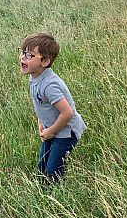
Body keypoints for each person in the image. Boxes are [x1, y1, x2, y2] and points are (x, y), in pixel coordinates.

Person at [19, 33, 86, 181]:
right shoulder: (34, 77)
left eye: (29, 55)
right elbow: (41, 104)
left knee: (52, 170)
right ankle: (44, 186)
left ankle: (56, 194)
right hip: (51, 128)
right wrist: (41, 124)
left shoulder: (50, 85)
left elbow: (67, 113)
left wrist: (51, 131)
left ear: (45, 62)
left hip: (66, 132)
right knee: (42, 164)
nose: (23, 57)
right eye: (22, 52)